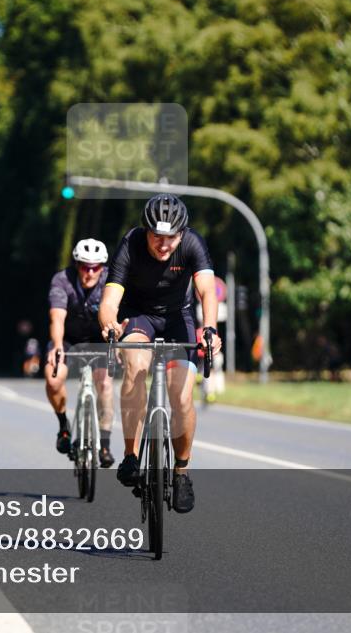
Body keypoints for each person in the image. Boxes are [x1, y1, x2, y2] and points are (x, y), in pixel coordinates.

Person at [98, 194, 222, 513]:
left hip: (178, 317)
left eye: (170, 238)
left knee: (181, 398)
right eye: (156, 236)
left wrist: (210, 329)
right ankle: (131, 454)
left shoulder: (193, 243)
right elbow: (110, 298)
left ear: (181, 234)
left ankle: (181, 472)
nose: (163, 245)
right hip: (138, 314)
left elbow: (206, 290)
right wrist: (110, 323)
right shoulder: (131, 244)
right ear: (146, 231)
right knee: (135, 364)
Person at [45, 238, 115, 467]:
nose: (90, 272)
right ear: (77, 265)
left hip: (99, 340)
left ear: (102, 268)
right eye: (85, 266)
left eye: (95, 268)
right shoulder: (62, 280)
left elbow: (115, 313)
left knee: (104, 385)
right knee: (54, 380)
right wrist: (56, 346)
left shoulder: (110, 282)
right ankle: (64, 427)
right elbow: (57, 317)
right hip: (67, 339)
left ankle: (104, 444)